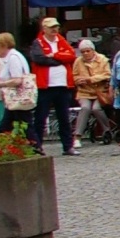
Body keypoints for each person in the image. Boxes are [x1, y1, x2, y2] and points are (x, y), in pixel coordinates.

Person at [26, 17, 77, 156]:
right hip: (45, 87)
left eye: (56, 27)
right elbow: (39, 59)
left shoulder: (61, 40)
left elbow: (71, 55)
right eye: (51, 27)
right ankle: (37, 146)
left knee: (64, 118)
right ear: (44, 29)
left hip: (63, 85)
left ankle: (68, 146)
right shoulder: (38, 42)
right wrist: (59, 61)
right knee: (40, 118)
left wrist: (54, 55)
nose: (54, 29)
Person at [0, 32, 35, 137]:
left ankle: (35, 144)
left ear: (4, 45)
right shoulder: (14, 56)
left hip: (17, 97)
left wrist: (2, 84)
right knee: (7, 126)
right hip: (15, 100)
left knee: (24, 126)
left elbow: (17, 80)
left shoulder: (13, 58)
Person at [72, 38, 113, 144]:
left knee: (96, 108)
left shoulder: (102, 59)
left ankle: (107, 130)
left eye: (88, 51)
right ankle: (77, 136)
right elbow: (74, 76)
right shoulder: (78, 61)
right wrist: (78, 81)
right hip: (84, 92)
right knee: (85, 108)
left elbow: (107, 75)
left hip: (100, 92)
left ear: (93, 50)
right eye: (83, 52)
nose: (85, 53)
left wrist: (91, 79)